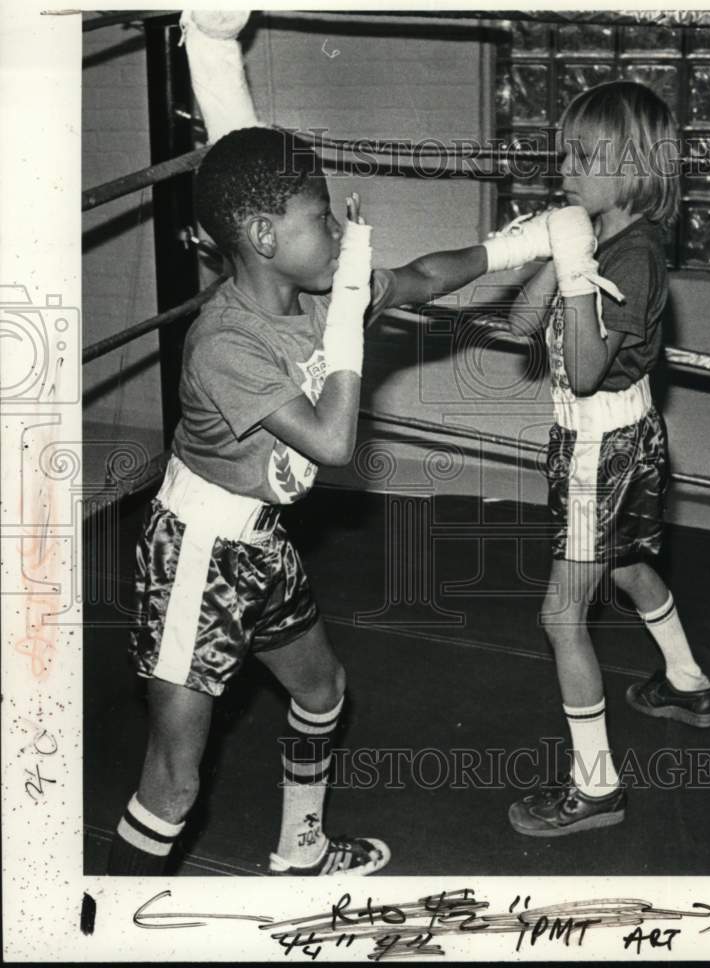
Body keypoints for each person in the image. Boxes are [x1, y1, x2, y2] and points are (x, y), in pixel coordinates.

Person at [106, 124, 536, 877]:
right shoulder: (224, 344)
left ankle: (300, 850)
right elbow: (333, 443)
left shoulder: (311, 298)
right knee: (173, 783)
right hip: (195, 557)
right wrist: (344, 312)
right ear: (265, 234)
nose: (337, 232)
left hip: (259, 543)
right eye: (322, 219)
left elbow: (422, 278)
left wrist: (517, 247)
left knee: (323, 690)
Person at [505, 81, 710, 837]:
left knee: (561, 616)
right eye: (564, 152)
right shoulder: (603, 239)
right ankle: (689, 683)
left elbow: (588, 368)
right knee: (626, 566)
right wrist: (564, 244)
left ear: (632, 168)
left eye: (583, 156)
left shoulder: (635, 261)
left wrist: (576, 269)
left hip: (602, 438)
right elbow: (520, 323)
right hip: (611, 437)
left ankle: (595, 788)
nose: (565, 168)